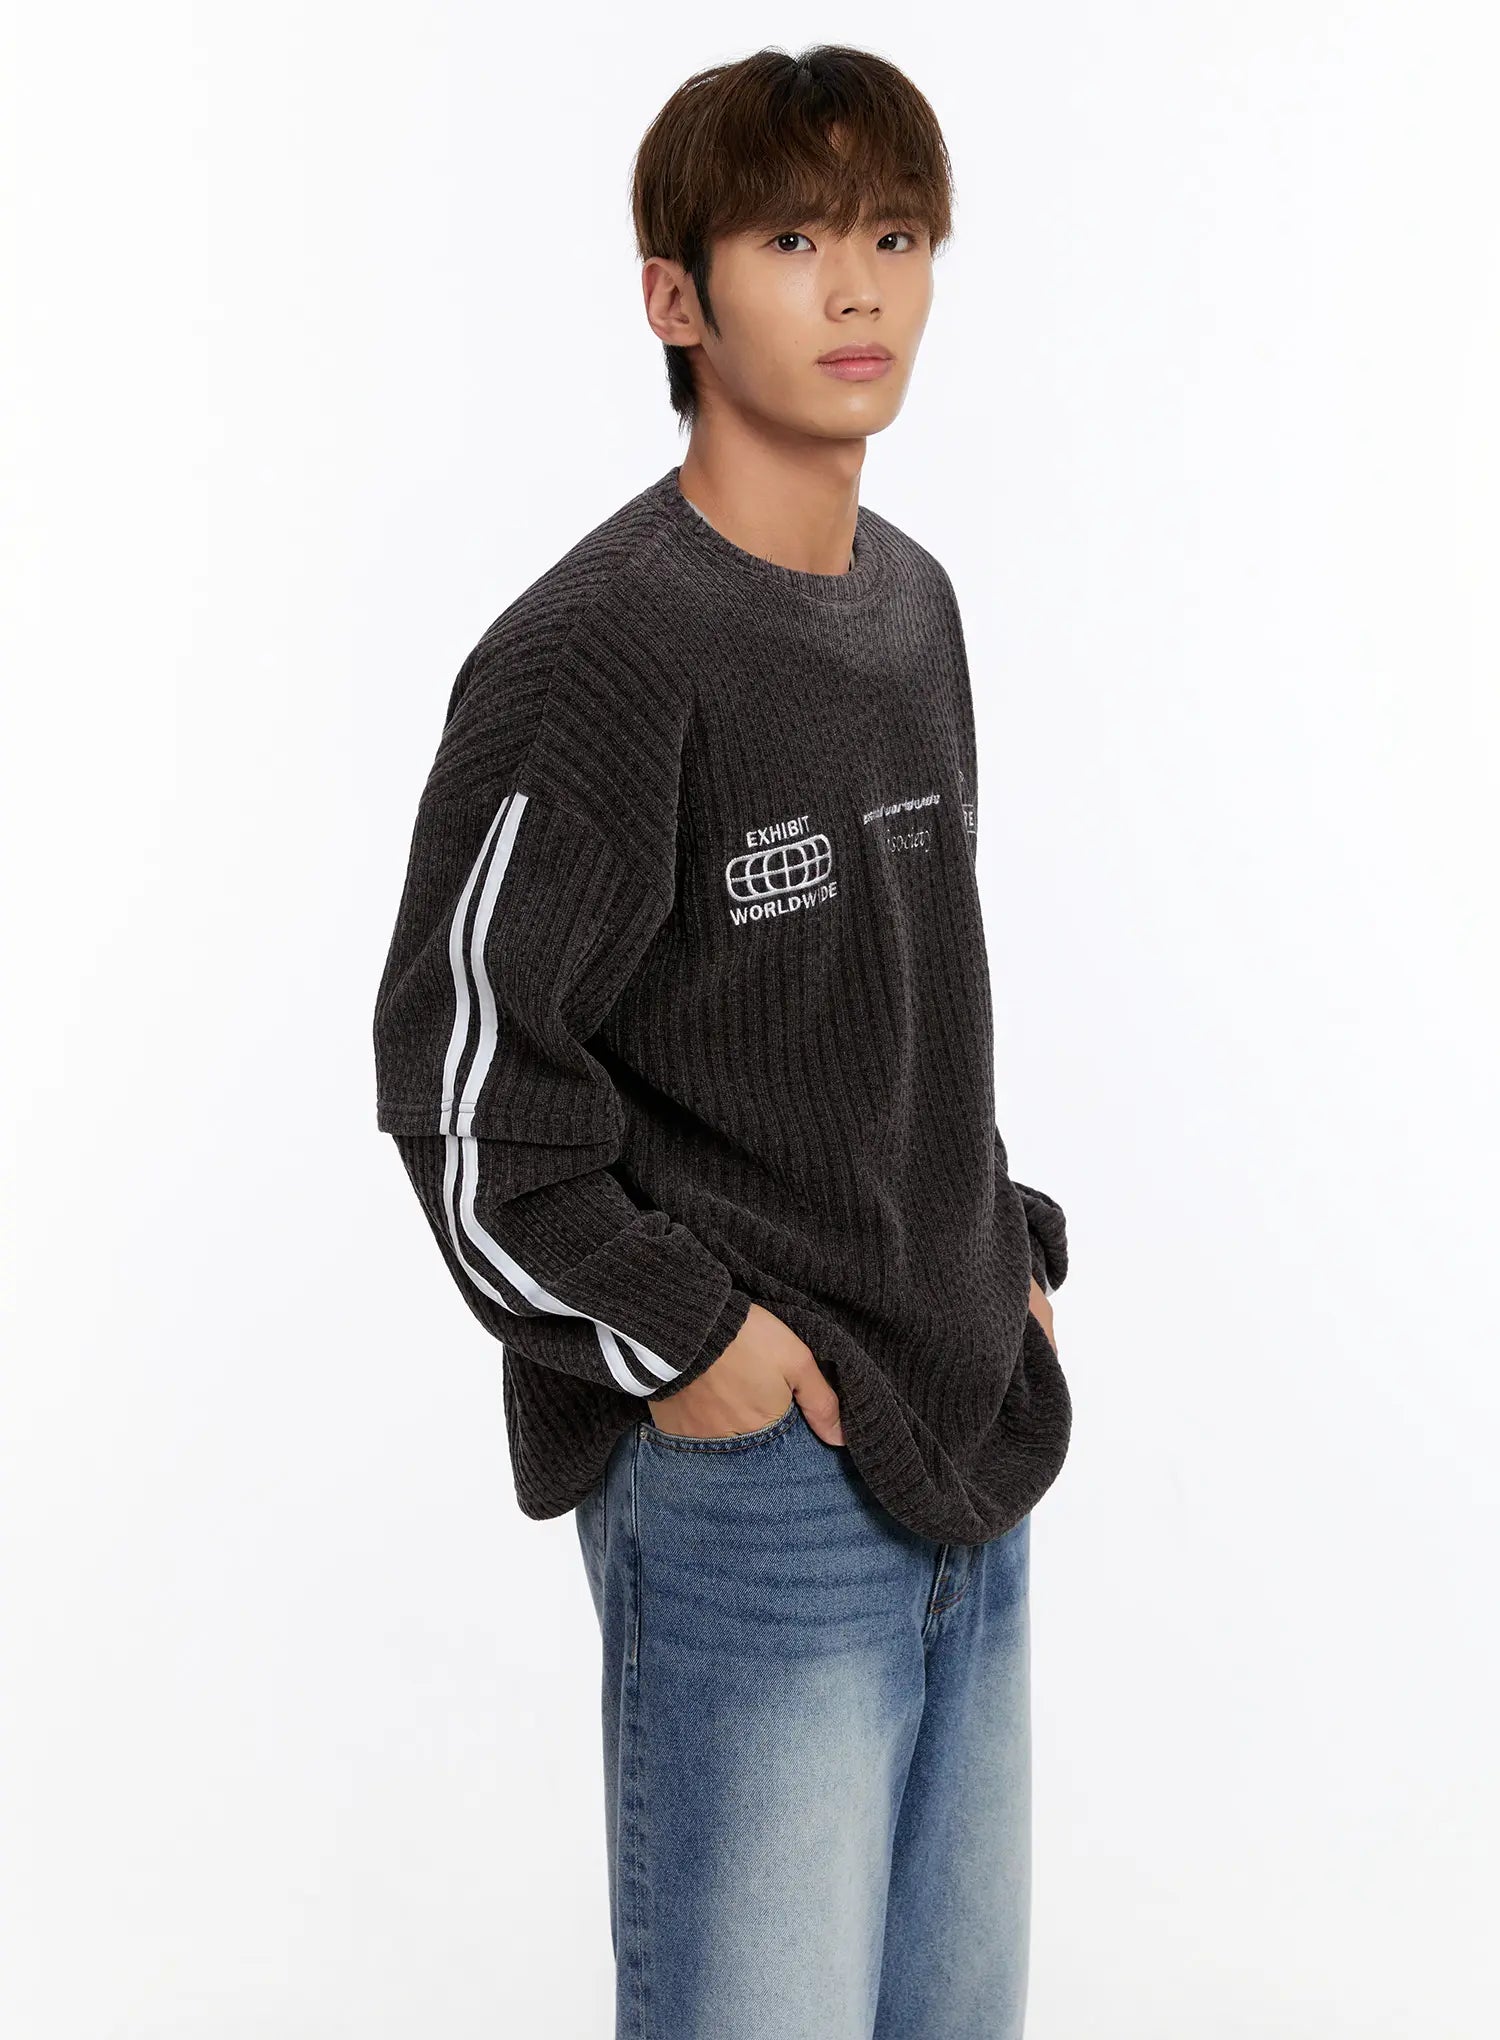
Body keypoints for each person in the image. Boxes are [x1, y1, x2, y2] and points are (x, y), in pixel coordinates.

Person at [371, 42, 1072, 2040]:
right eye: (792, 241)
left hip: (966, 1430)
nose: (858, 289)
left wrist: (997, 1240)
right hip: (755, 1494)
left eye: (895, 238)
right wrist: (690, 1343)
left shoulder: (913, 606)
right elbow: (461, 1087)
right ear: (675, 297)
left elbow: (895, 998)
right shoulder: (596, 657)